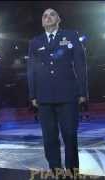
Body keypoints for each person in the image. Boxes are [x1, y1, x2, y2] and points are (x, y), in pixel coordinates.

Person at [27, 8, 88, 177]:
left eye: (52, 14)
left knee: (69, 136)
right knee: (49, 139)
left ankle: (72, 174)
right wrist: (32, 95)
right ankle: (56, 172)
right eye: (44, 16)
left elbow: (80, 65)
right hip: (44, 97)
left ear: (59, 19)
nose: (48, 17)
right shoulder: (35, 42)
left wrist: (83, 92)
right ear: (42, 21)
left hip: (68, 95)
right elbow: (30, 70)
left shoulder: (71, 36)